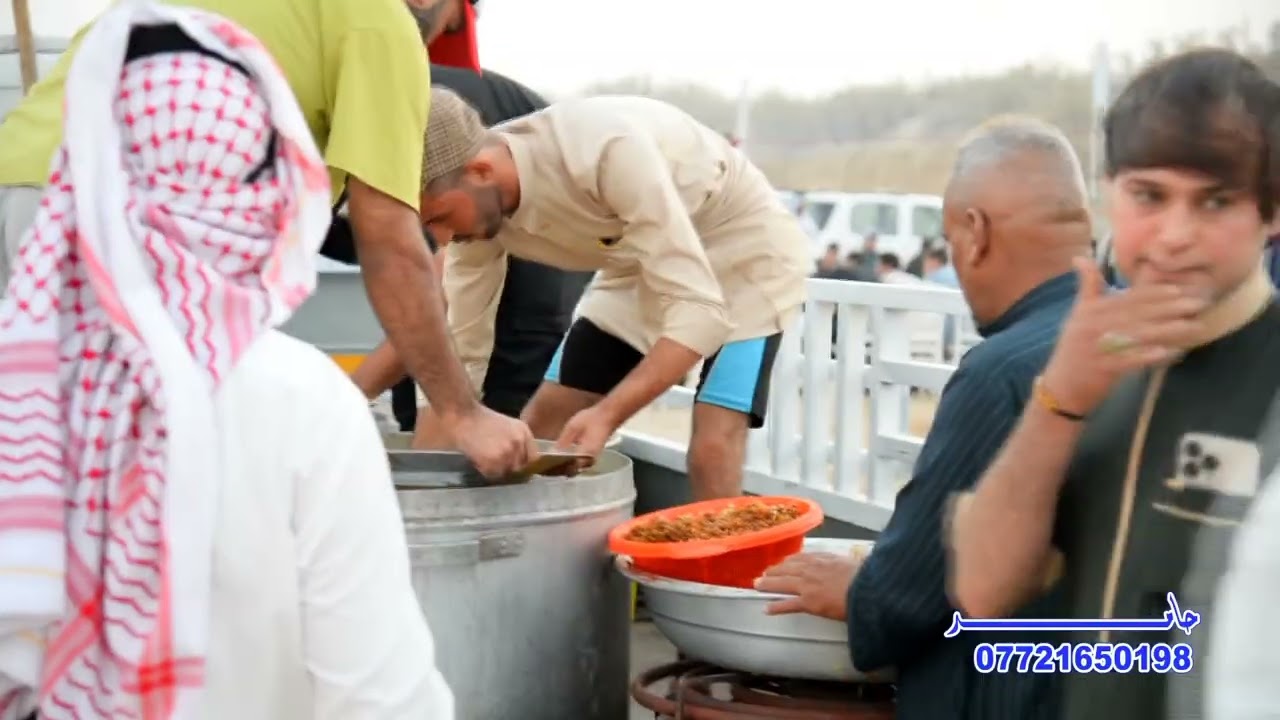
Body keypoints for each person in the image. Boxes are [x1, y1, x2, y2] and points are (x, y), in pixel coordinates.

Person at [0, 5, 453, 718]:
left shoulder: (21, 385)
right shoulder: (304, 403)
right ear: (273, 185)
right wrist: (456, 407)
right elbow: (381, 697)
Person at [0, 0, 535, 478]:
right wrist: (462, 414)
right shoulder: (381, 20)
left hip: (26, 179)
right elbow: (389, 239)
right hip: (122, 210)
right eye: (439, 31)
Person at [948, 49, 1280, 719]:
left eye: (1215, 201)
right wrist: (1058, 403)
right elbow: (982, 593)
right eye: (1149, 196)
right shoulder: (1092, 371)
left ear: (1271, 212)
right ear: (1110, 194)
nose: (1175, 236)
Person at [757, 116, 1091, 720]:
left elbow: (911, 593)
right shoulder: (1131, 337)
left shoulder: (1003, 372)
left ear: (975, 232)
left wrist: (861, 593)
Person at [416, 88, 811, 499]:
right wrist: (423, 493)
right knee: (545, 423)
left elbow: (700, 314)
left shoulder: (605, 150)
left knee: (712, 448)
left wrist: (608, 414)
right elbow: (461, 352)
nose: (441, 237)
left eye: (441, 217)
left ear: (481, 171)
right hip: (641, 256)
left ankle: (727, 563)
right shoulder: (472, 208)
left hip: (743, 250)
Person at [326, 64, 593, 435]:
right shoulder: (309, 188)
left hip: (529, 191)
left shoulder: (420, 163)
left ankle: (515, 472)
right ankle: (432, 464)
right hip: (445, 190)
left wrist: (340, 406)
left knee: (513, 368)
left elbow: (430, 303)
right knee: (424, 388)